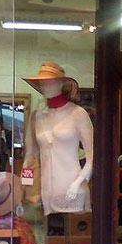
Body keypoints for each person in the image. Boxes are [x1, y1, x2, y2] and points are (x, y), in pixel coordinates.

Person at [23, 62, 93, 215]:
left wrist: (78, 183)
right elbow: (29, 157)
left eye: (48, 82)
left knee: (72, 228)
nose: (44, 86)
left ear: (61, 83)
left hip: (73, 188)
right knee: (51, 230)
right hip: (46, 191)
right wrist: (24, 187)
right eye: (41, 83)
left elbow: (92, 159)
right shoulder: (36, 117)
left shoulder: (77, 113)